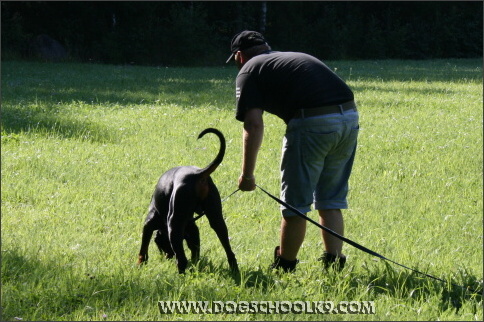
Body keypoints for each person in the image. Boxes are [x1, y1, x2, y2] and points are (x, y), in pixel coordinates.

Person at [226, 30, 359, 272]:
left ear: (238, 56)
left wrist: (247, 176)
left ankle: (284, 267)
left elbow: (253, 124)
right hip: (349, 118)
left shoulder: (249, 70)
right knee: (330, 199)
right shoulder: (288, 57)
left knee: (295, 204)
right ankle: (334, 264)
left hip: (313, 123)